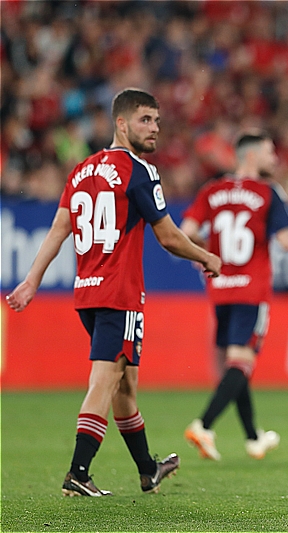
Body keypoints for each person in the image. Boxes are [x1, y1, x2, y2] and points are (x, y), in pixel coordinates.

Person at [5, 88, 222, 497]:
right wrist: (206, 257)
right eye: (145, 120)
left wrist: (33, 279)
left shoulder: (83, 170)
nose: (154, 128)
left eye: (157, 121)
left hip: (87, 293)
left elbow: (59, 229)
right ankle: (78, 472)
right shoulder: (138, 171)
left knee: (125, 384)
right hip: (119, 294)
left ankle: (147, 470)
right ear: (120, 124)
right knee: (105, 380)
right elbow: (170, 237)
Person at [181, 132, 288, 461]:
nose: (274, 158)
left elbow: (187, 231)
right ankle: (203, 425)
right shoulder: (267, 192)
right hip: (252, 289)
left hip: (220, 288)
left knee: (235, 364)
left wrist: (204, 255)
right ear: (250, 157)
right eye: (269, 151)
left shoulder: (212, 190)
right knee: (241, 364)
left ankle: (252, 437)